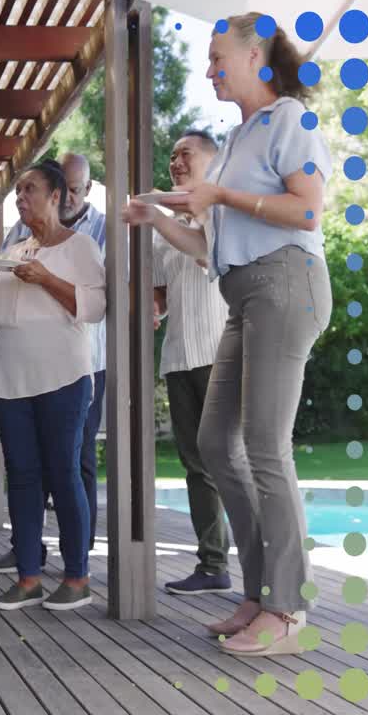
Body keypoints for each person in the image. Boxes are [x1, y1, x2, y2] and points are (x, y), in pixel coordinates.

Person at [123, 12, 332, 657]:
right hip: (243, 292)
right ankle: (257, 590)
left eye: (217, 56)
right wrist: (159, 214)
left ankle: (289, 606)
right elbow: (209, 249)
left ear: (255, 56)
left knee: (266, 446)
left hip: (287, 282)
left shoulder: (291, 120)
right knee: (217, 442)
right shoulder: (240, 136)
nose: (209, 67)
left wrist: (217, 196)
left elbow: (306, 209)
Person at [0, 160, 106, 611]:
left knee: (64, 473)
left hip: (63, 378)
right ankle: (28, 577)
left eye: (29, 189)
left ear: (57, 196)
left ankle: (77, 577)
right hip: (11, 381)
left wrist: (46, 278)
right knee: (23, 478)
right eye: (17, 192)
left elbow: (94, 308)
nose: (20, 198)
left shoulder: (80, 247)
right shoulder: (14, 251)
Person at [152, 130, 234, 596]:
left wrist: (173, 212)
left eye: (186, 154)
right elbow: (160, 292)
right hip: (178, 358)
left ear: (211, 161)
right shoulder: (166, 229)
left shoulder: (224, 212)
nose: (176, 162)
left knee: (233, 461)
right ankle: (213, 565)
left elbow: (206, 252)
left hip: (219, 355)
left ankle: (264, 569)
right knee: (196, 465)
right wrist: (152, 303)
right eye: (172, 157)